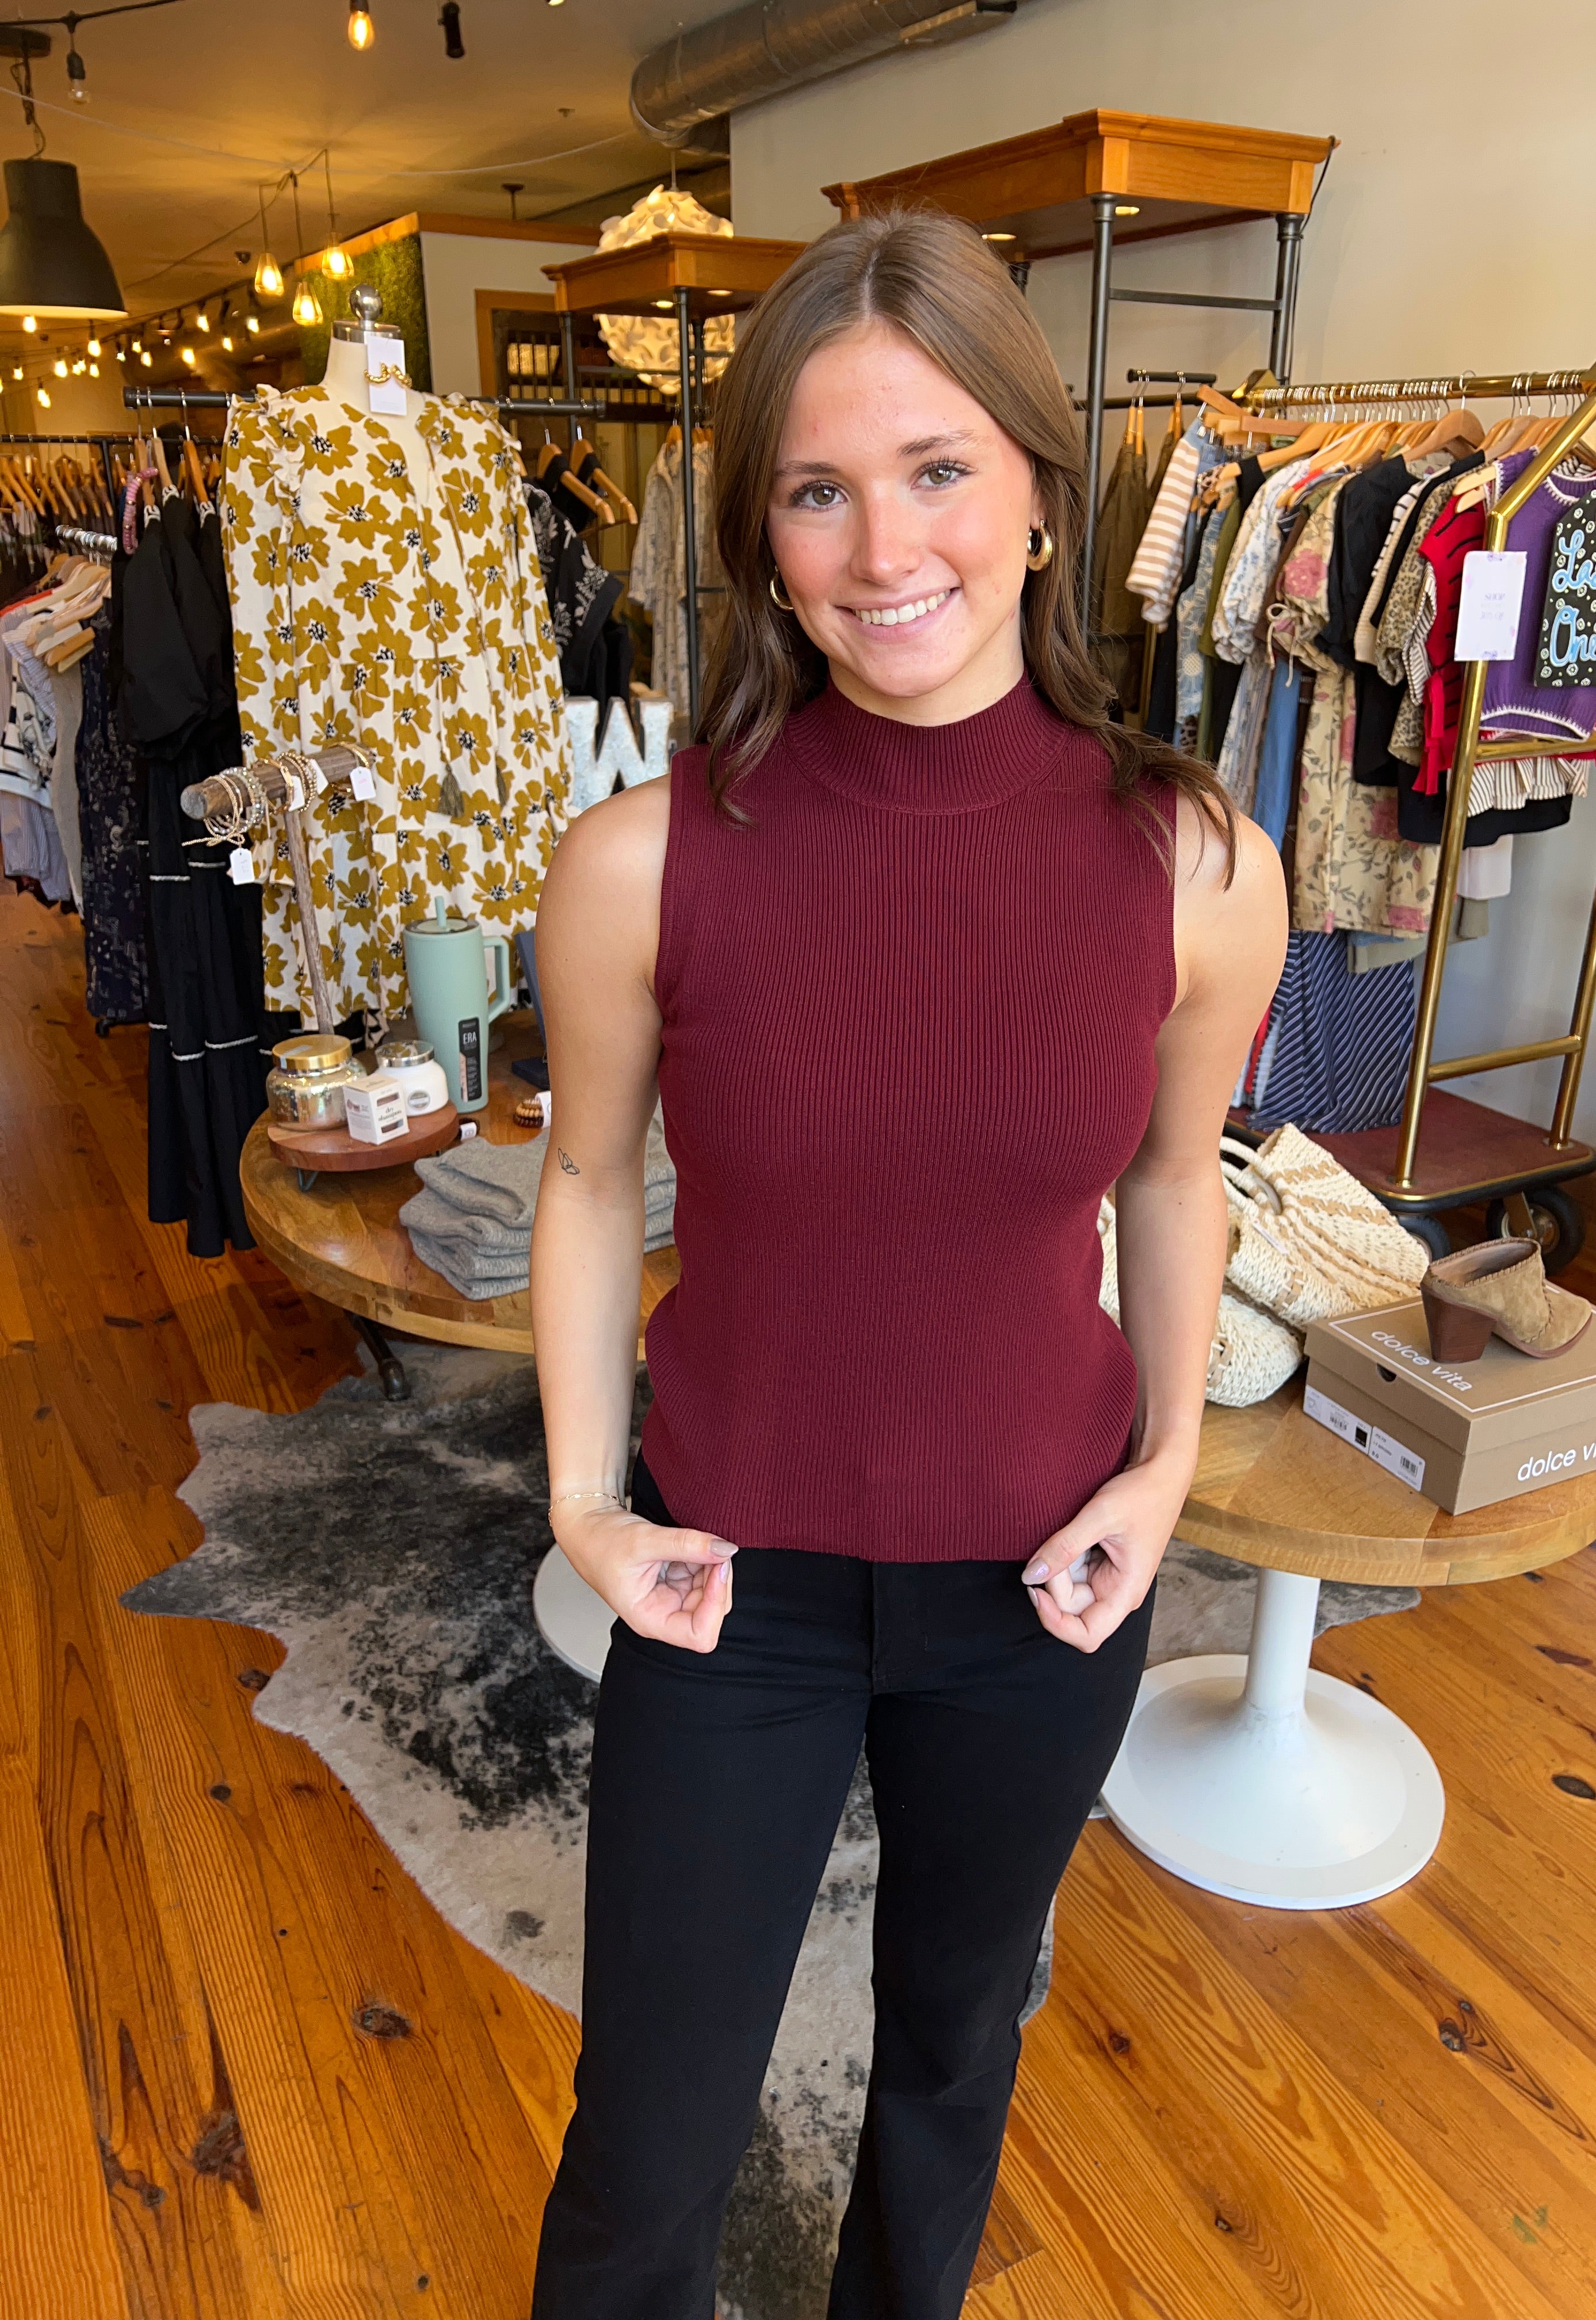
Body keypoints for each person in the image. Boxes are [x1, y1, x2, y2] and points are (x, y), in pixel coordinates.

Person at [527, 206, 1286, 2320]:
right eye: (818, 490)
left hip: (1040, 1587)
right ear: (760, 537)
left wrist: (1164, 1471)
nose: (884, 551)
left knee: (953, 2059)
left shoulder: (1198, 861)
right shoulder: (642, 861)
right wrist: (585, 1502)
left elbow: (1175, 1181)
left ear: (1041, 491)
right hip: (730, 1585)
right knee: (650, 2131)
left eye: (938, 468)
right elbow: (585, 1181)